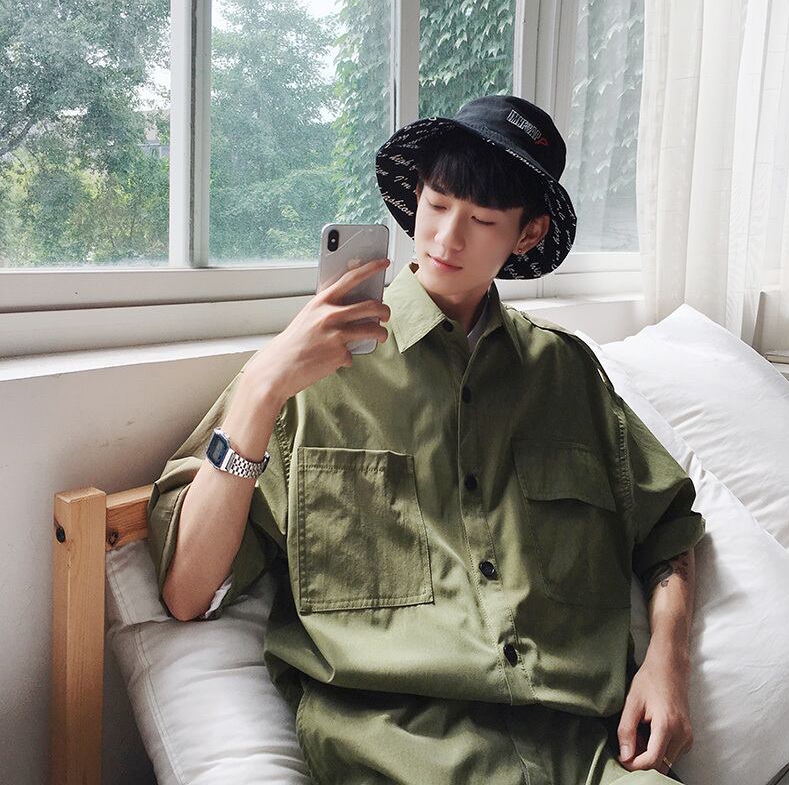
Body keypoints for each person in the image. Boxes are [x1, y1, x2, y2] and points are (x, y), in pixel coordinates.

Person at [147, 95, 705, 785]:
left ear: (527, 233)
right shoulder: (306, 377)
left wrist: (668, 661)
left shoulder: (567, 374)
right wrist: (261, 389)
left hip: (590, 758)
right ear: (415, 195)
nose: (446, 238)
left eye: (482, 220)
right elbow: (187, 592)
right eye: (437, 205)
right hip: (398, 756)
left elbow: (669, 529)